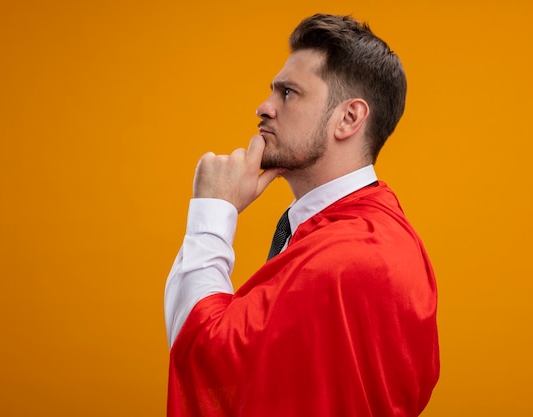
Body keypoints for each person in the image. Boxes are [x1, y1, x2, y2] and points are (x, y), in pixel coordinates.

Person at [165, 13, 439, 417]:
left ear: (348, 118)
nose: (265, 107)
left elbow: (206, 353)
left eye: (288, 93)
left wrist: (212, 211)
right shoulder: (361, 229)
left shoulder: (348, 255)